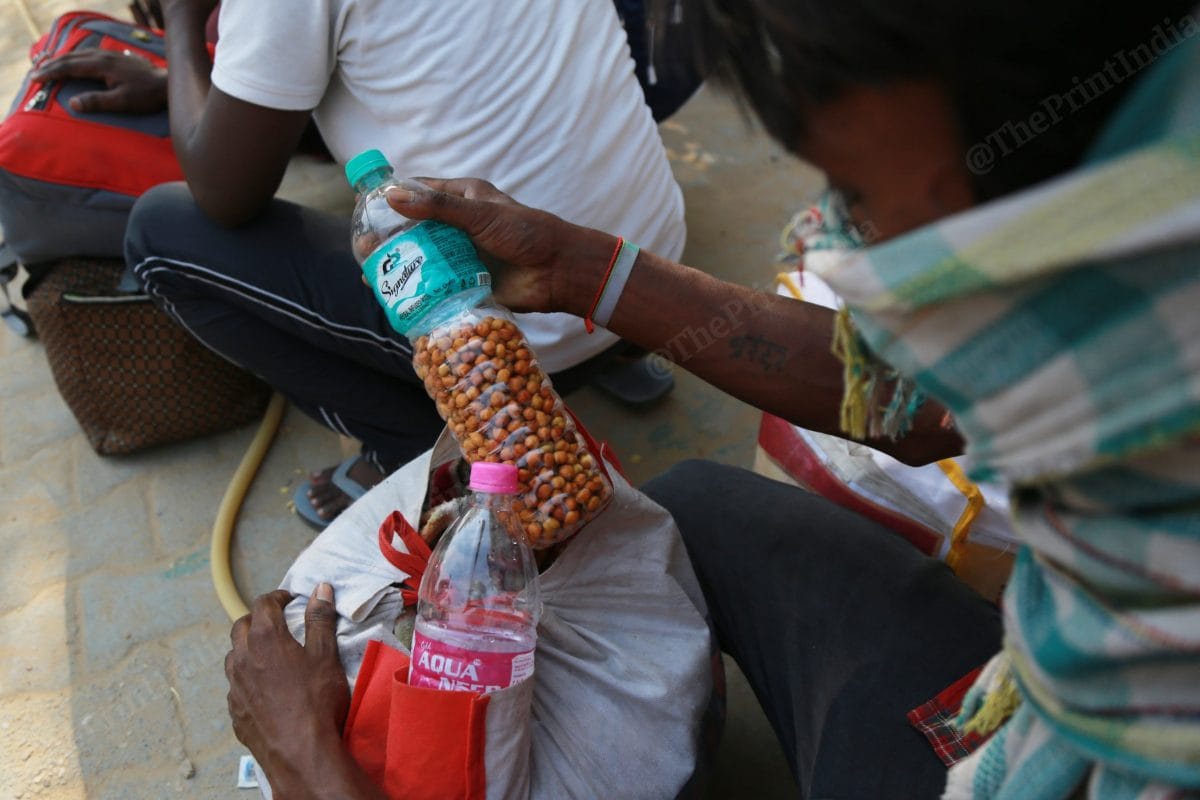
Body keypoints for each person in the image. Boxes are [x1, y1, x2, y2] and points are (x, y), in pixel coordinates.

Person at [224, 0, 1200, 797]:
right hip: (1024, 689)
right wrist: (577, 268)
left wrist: (312, 764)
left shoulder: (1155, 665)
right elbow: (918, 402)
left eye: (861, 198)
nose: (843, 242)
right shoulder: (1130, 288)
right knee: (696, 499)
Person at [33, 0, 689, 529]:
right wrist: (221, 86)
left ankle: (417, 446)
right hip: (645, 275)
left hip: (517, 332)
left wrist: (181, 19)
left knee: (159, 231)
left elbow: (222, 191)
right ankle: (615, 355)